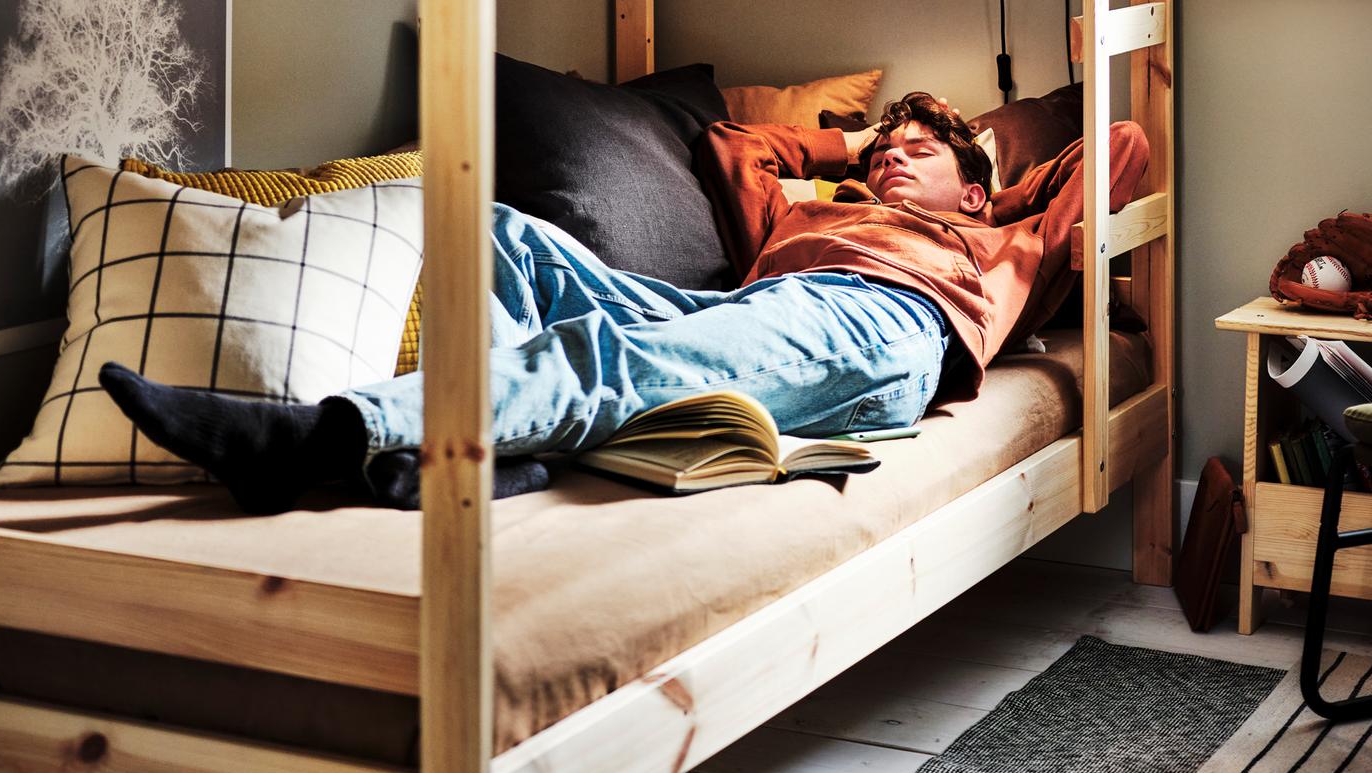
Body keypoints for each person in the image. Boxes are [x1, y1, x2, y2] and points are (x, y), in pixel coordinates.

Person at [100, 92, 1148, 513]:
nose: (890, 163)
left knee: (602, 355)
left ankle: (332, 432)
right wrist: (849, 143)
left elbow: (1120, 148)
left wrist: (985, 179)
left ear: (971, 184)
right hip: (754, 308)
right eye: (885, 153)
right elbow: (735, 145)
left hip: (876, 326)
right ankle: (507, 450)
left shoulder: (998, 239)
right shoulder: (807, 204)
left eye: (914, 156)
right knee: (509, 235)